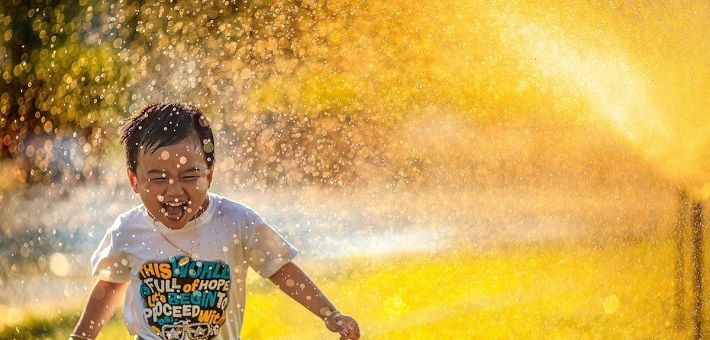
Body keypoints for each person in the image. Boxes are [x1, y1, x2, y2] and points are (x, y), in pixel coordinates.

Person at [70, 103, 360, 340]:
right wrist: (81, 338)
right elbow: (110, 286)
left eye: (188, 177)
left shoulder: (235, 222)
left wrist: (329, 314)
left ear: (209, 175)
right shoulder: (128, 230)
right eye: (158, 178)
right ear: (134, 180)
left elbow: (280, 268)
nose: (173, 191)